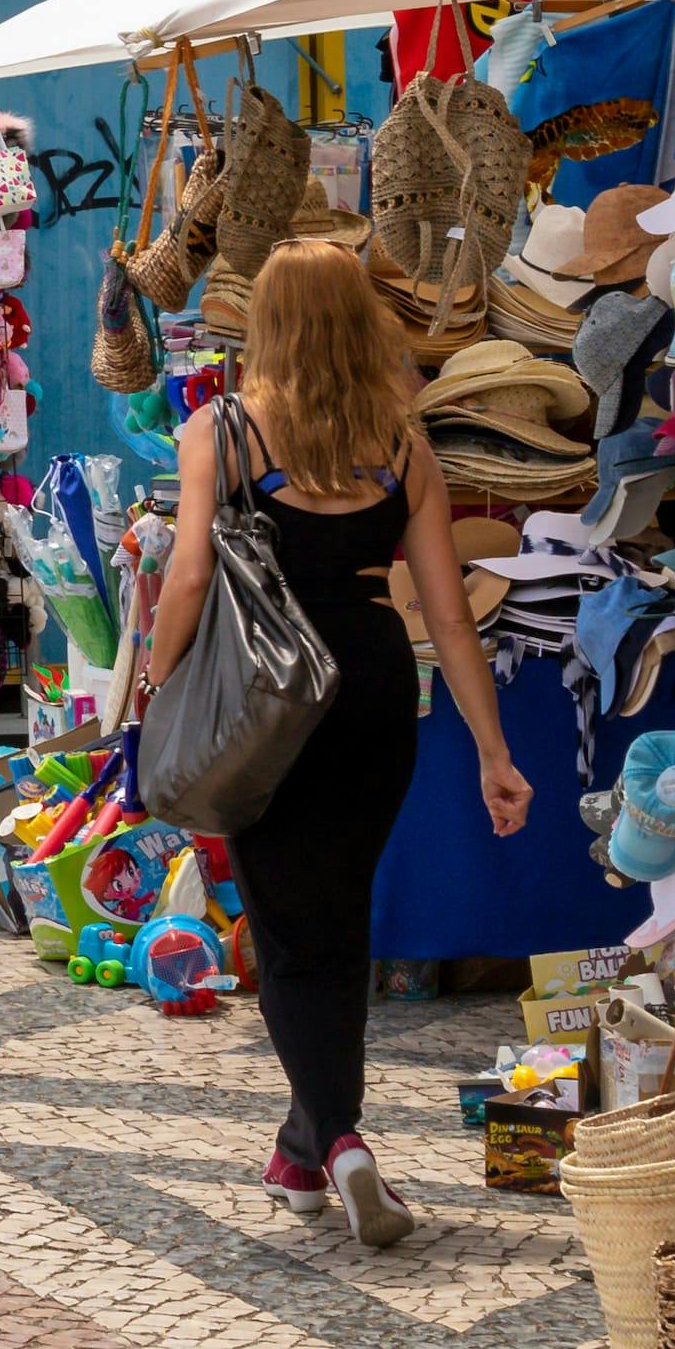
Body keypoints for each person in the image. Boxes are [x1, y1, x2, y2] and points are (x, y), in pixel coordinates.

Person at [136, 239, 527, 1245]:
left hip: (268, 693)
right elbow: (446, 617)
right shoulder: (402, 444)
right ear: (360, 322)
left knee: (285, 930)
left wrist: (151, 679)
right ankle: (298, 1155)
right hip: (373, 687)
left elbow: (184, 579)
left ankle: (341, 1137)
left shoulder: (221, 430)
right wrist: (490, 750)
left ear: (263, 323)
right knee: (337, 916)